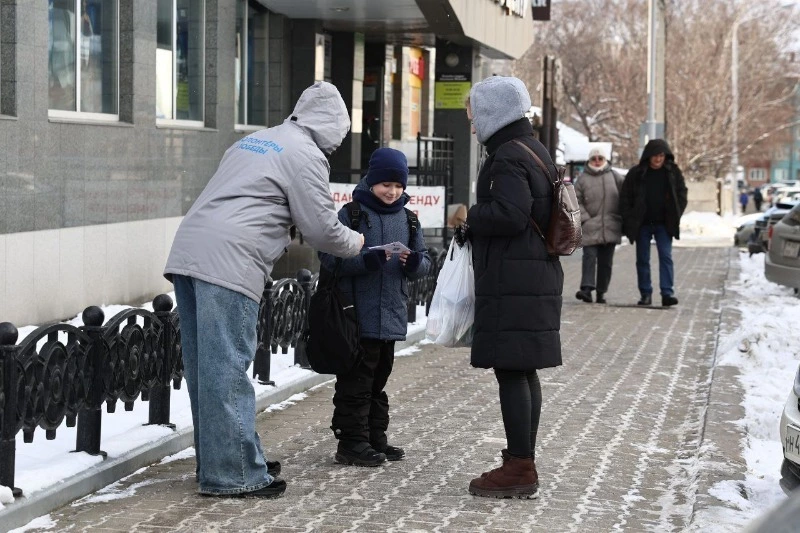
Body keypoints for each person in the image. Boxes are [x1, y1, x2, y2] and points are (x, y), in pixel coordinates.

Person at [163, 81, 364, 498]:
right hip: (230, 260)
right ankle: (234, 474)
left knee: (207, 370)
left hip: (189, 251)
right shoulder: (306, 154)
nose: (336, 148)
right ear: (332, 128)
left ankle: (226, 458)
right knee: (228, 369)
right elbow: (321, 229)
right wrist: (358, 242)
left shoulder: (257, 140)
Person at [458, 76, 563, 499]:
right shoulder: (533, 149)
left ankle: (520, 467)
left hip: (514, 279)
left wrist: (470, 217)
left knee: (512, 370)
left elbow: (510, 215)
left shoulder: (505, 158)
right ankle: (521, 461)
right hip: (532, 275)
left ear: (493, 112)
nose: (470, 123)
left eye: (473, 113)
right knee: (522, 370)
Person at [319, 148, 432, 467]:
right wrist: (364, 261)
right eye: (385, 185)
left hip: (391, 314)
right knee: (356, 382)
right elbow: (329, 259)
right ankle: (351, 443)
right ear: (371, 181)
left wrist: (414, 264)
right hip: (355, 315)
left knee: (378, 381)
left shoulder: (409, 219)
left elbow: (425, 261)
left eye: (397, 186)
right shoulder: (351, 214)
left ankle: (374, 438)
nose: (392, 191)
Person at [620, 139, 688, 307]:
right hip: (642, 223)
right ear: (648, 156)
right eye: (655, 156)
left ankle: (667, 293)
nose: (658, 159)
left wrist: (676, 212)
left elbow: (682, 193)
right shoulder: (636, 173)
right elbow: (625, 197)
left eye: (661, 155)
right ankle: (645, 294)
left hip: (664, 224)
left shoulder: (672, 172)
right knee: (642, 259)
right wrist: (629, 217)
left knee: (666, 257)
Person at [574, 148, 625, 304]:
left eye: (600, 158)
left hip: (610, 226)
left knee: (606, 262)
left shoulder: (615, 177)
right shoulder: (582, 179)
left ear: (605, 159)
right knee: (589, 258)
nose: (597, 160)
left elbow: (626, 197)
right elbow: (576, 200)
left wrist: (620, 217)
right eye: (594, 158)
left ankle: (602, 291)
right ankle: (587, 289)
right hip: (590, 226)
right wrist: (586, 218)